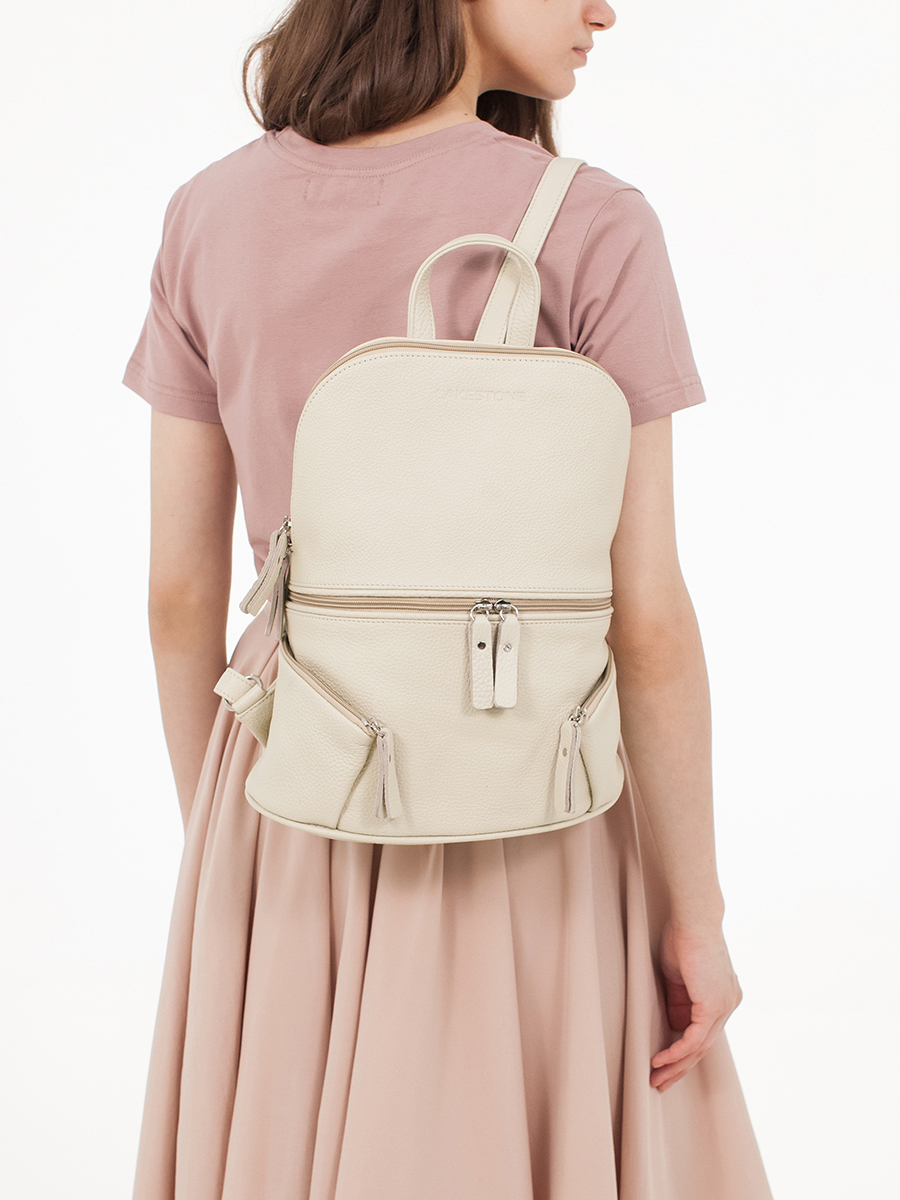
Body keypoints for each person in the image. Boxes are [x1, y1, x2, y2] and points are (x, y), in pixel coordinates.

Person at [122, 1, 774, 1196]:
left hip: (289, 772)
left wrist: (225, 838)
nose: (605, 9)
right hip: (520, 764)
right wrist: (698, 914)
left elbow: (178, 594)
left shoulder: (209, 211)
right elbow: (647, 615)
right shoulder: (591, 223)